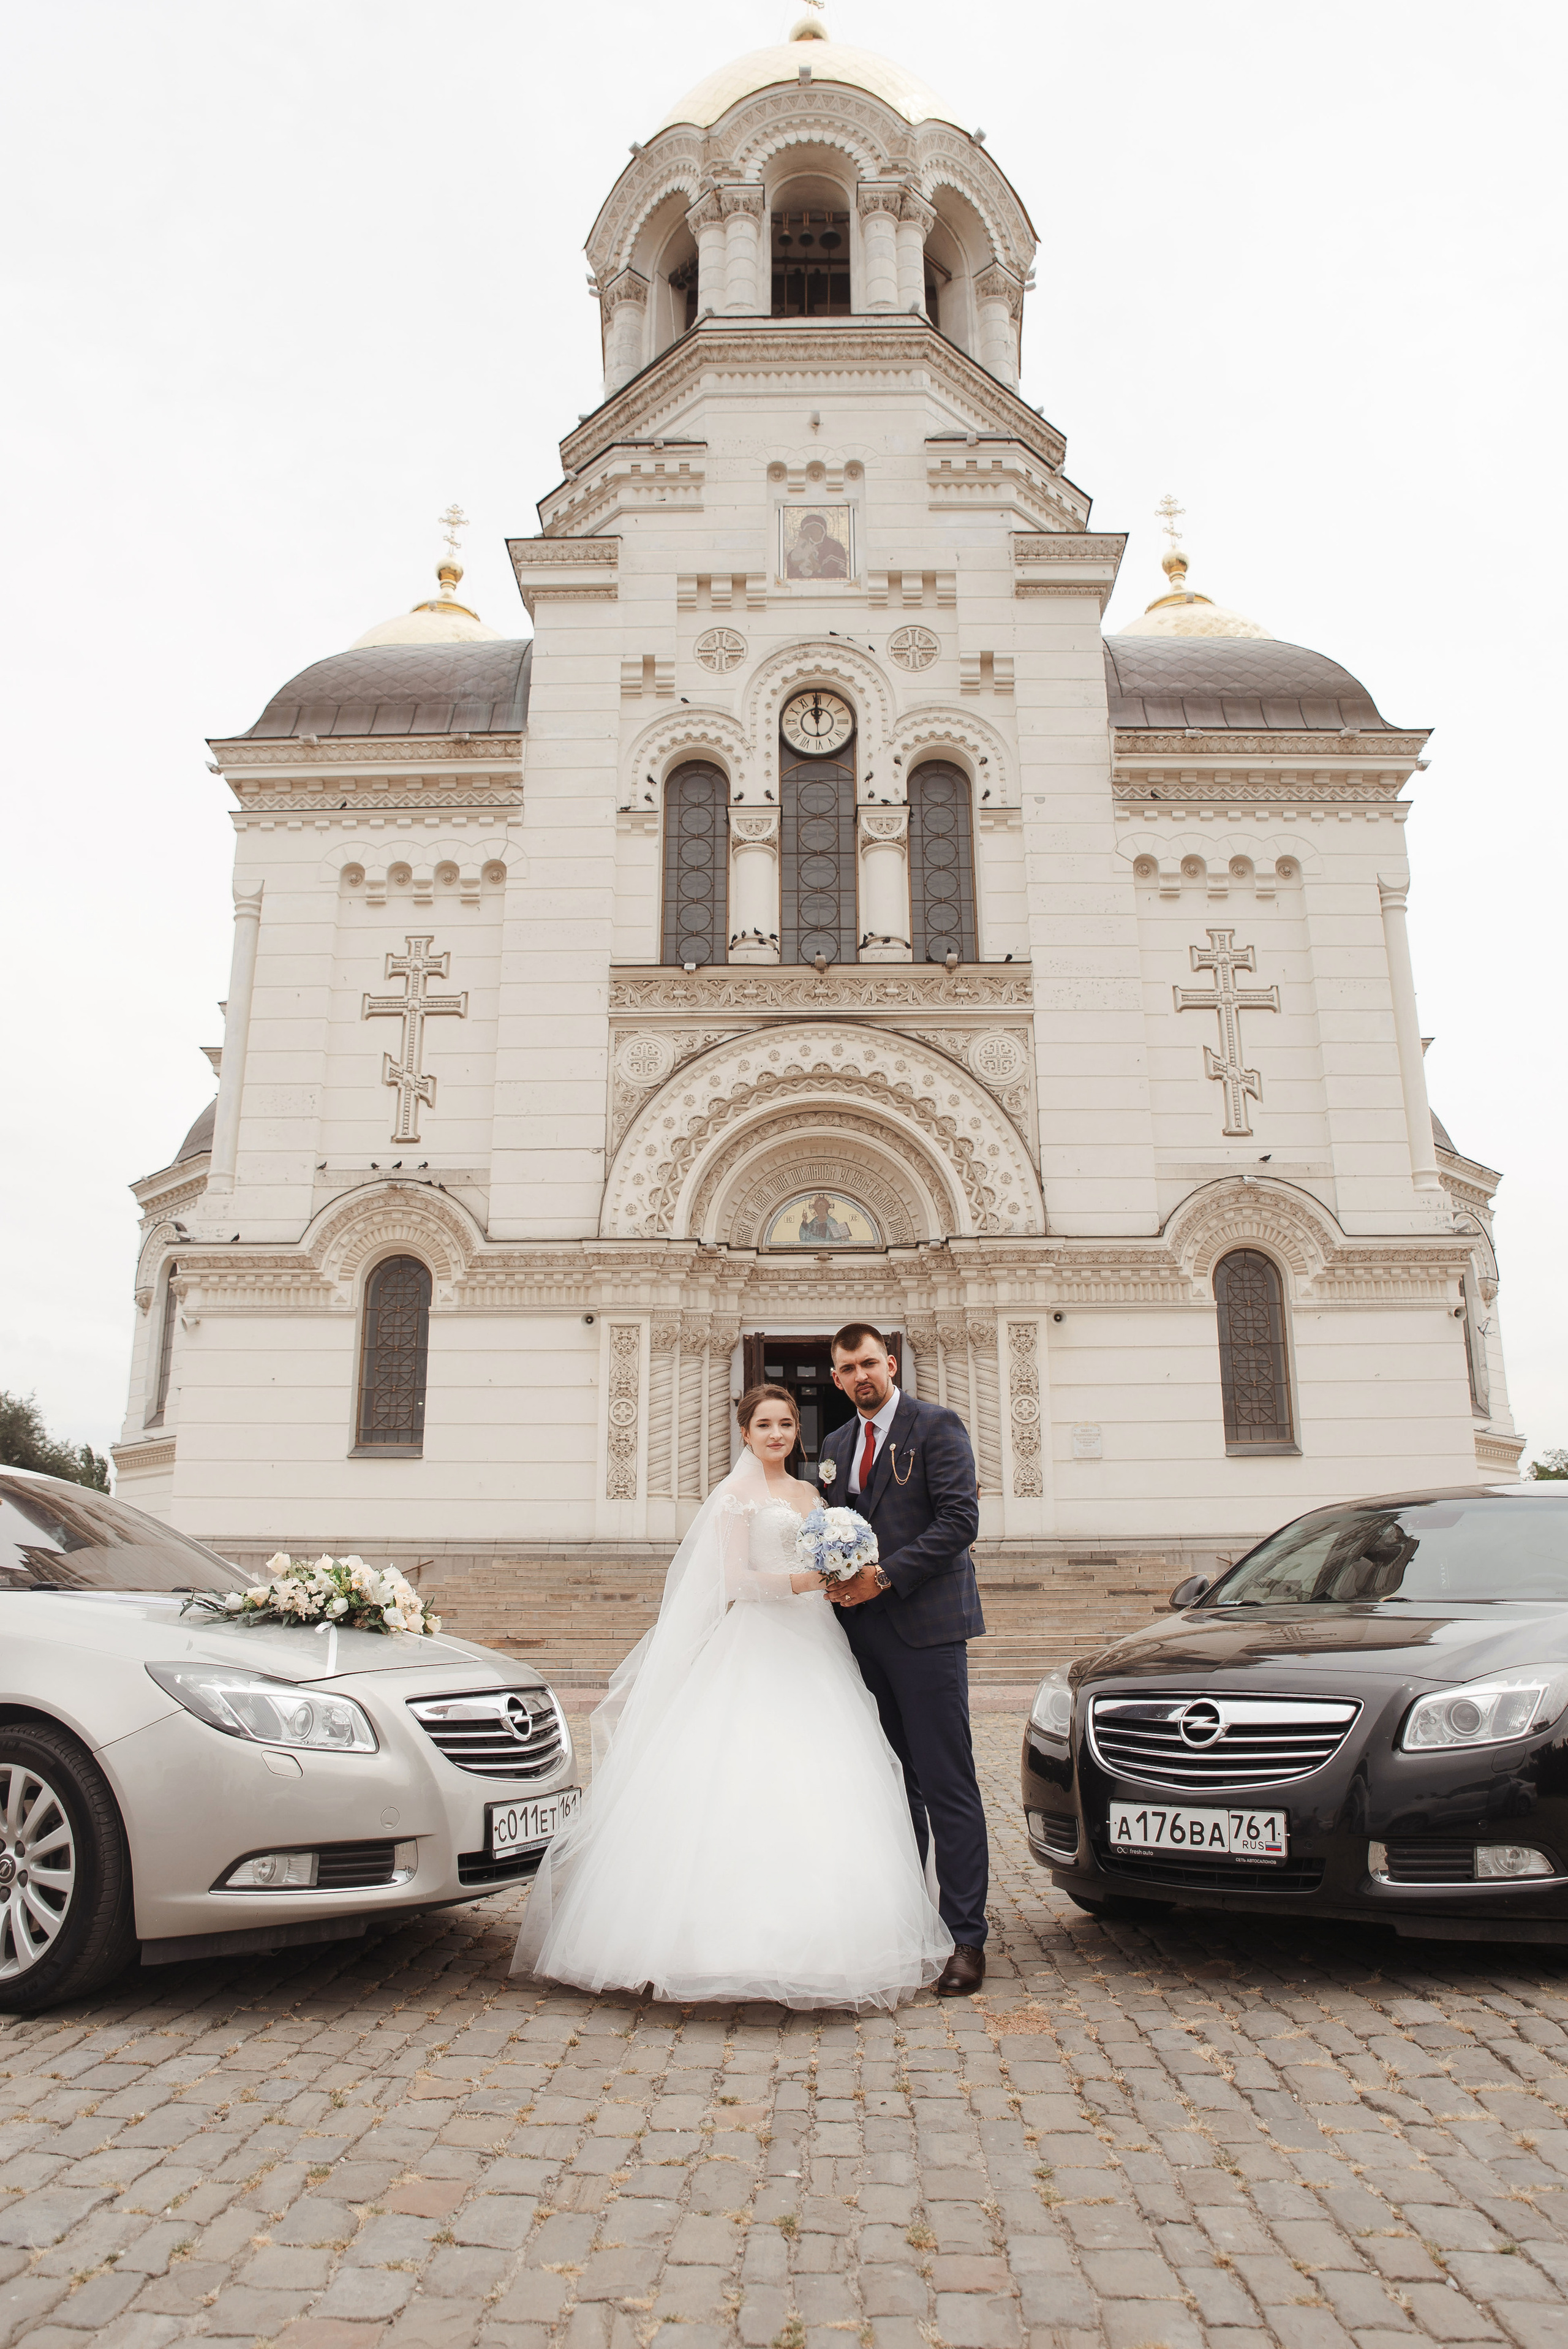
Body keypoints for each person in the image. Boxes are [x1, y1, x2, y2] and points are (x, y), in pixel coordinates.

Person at [511, 1383, 952, 2008]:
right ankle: (707, 1943)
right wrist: (809, 1578)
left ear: (796, 1431)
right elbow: (736, 1581)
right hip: (756, 1641)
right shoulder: (734, 1498)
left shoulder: (811, 1496)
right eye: (764, 1425)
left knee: (828, 1774)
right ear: (744, 1434)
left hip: (815, 1643)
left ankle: (832, 1940)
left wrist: (846, 1566)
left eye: (785, 1424)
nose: (775, 1434)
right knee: (741, 1772)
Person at [816, 1322, 989, 1995]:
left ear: (890, 1363)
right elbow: (833, 1523)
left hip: (927, 1629)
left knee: (946, 1784)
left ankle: (966, 1938)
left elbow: (958, 1521)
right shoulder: (833, 1444)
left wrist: (882, 1577)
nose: (860, 1376)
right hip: (861, 1638)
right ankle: (908, 1924)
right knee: (890, 1788)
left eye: (869, 1363)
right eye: (847, 1369)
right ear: (834, 1379)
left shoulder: (936, 1426)